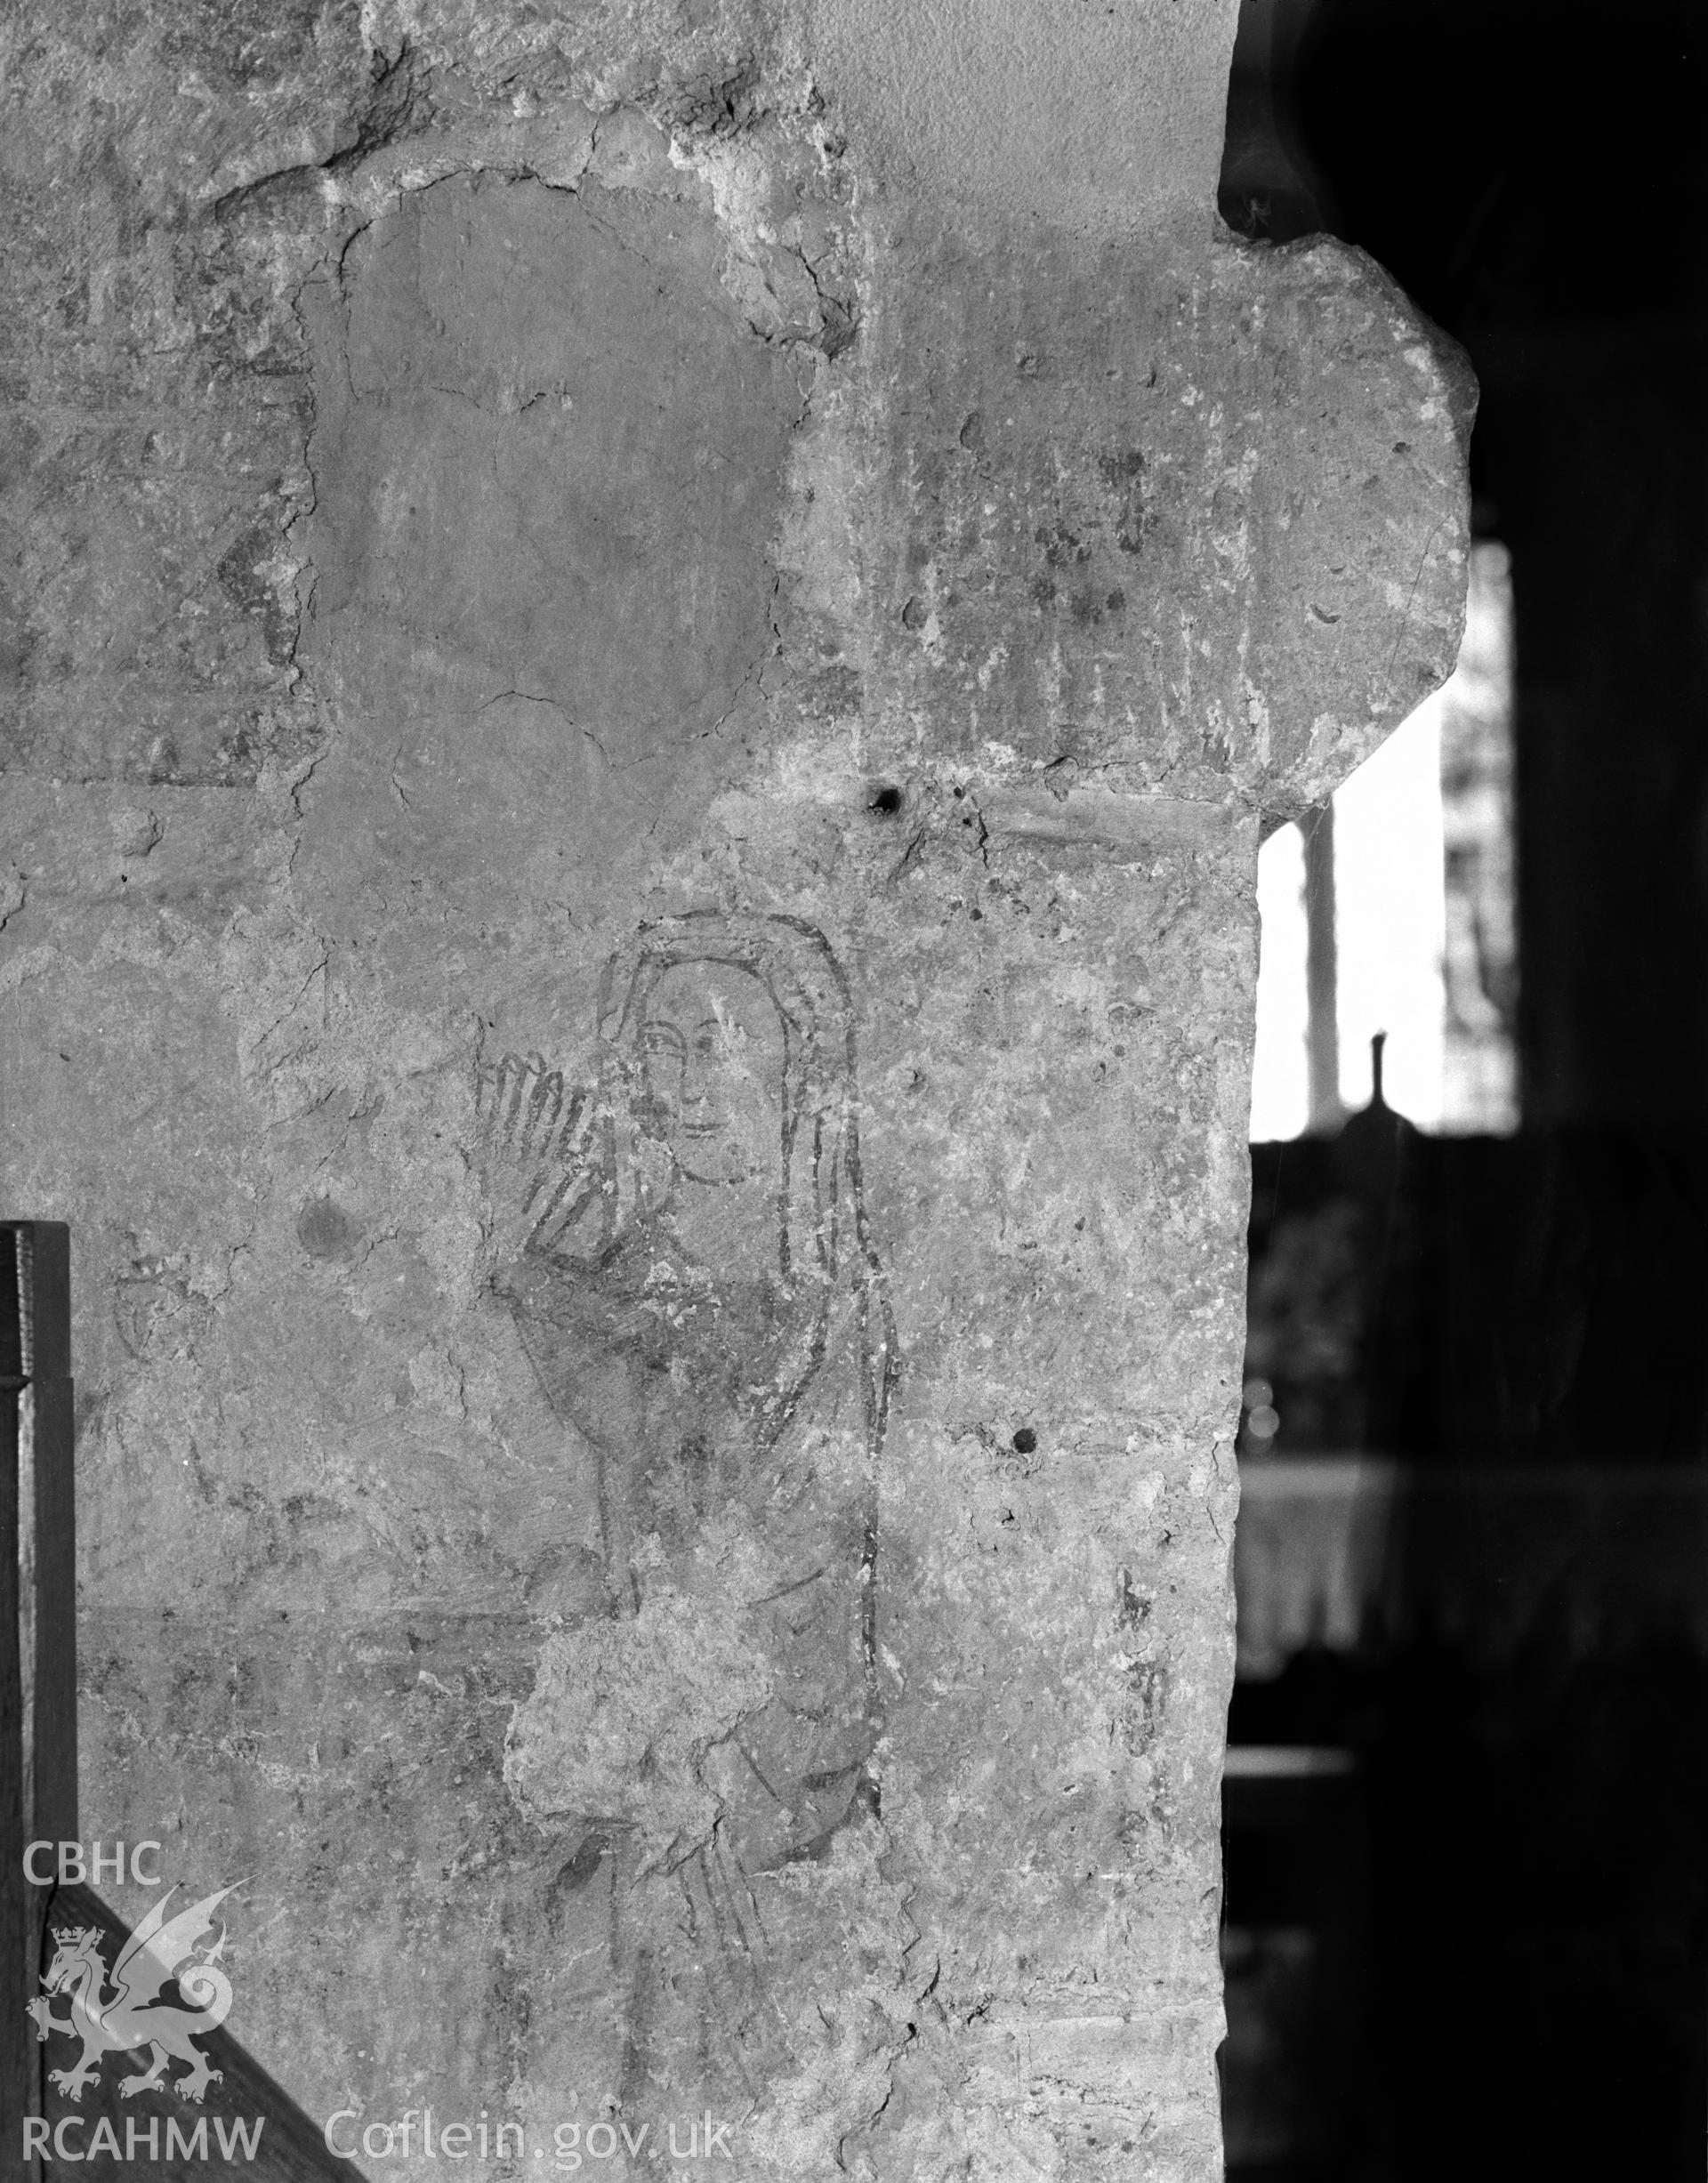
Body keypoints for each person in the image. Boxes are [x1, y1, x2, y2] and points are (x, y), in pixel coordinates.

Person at [476, 910, 898, 2104]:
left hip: (763, 1727)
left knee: (728, 2065)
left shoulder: (822, 1297)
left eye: (709, 1045)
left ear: (791, 1069)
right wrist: (529, 1269)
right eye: (660, 1050)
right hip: (663, 1704)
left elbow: (758, 1484)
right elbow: (626, 1395)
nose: (680, 1083)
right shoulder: (650, 1256)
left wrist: (666, 1677)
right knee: (634, 2049)